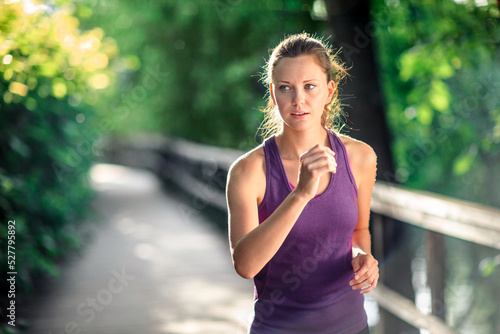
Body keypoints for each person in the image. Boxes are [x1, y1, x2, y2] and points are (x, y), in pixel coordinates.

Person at [225, 33, 379, 334]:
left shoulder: (360, 157)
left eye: (310, 86)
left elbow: (359, 231)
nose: (298, 100)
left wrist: (362, 256)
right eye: (286, 88)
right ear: (273, 94)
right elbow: (245, 265)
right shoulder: (248, 171)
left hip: (352, 328)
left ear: (330, 91)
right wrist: (300, 194)